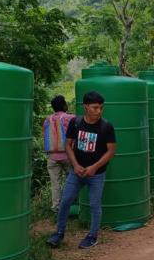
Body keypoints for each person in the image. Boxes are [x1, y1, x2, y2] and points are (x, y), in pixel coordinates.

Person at [47, 91, 116, 249]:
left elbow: (111, 151)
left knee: (94, 205)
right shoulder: (75, 123)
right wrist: (76, 165)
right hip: (76, 173)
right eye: (95, 108)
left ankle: (92, 236)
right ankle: (59, 233)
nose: (99, 111)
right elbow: (68, 146)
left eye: (101, 108)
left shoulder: (106, 126)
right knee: (65, 201)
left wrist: (94, 167)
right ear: (85, 107)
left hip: (96, 174)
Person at [43, 95, 75, 211]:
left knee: (55, 183)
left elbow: (44, 136)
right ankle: (71, 205)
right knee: (72, 181)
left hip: (52, 156)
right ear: (64, 105)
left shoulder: (48, 119)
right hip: (67, 155)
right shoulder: (70, 118)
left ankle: (56, 207)